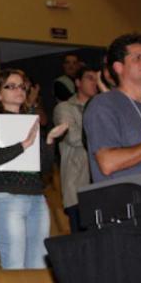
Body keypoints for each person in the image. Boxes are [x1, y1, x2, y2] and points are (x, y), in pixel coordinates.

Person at [0, 69, 67, 269]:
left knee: (39, 267)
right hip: (7, 198)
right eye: (10, 86)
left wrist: (50, 140)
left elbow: (44, 168)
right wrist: (23, 145)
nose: (18, 90)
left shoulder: (31, 119)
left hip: (37, 198)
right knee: (14, 267)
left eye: (21, 86)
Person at [84, 33, 141, 182]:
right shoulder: (103, 105)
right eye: (138, 58)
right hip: (124, 195)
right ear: (118, 67)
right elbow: (108, 163)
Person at [53, 66, 98, 232]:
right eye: (90, 78)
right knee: (83, 239)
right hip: (78, 184)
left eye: (97, 79)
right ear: (78, 82)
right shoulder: (64, 107)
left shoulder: (103, 108)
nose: (95, 82)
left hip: (102, 183)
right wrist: (103, 131)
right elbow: (73, 137)